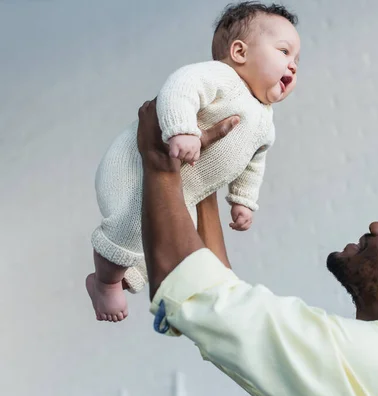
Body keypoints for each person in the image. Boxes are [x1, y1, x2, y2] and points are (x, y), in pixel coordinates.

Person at [135, 98, 378, 396]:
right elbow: (221, 302)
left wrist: (157, 159)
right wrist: (205, 179)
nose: (377, 227)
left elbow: (198, 295)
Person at [86, 2, 301, 322]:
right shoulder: (221, 77)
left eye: (297, 60)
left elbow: (255, 164)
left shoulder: (265, 121)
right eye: (284, 52)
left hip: (181, 191)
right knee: (130, 225)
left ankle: (125, 276)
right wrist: (182, 130)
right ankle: (104, 281)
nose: (293, 65)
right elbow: (180, 87)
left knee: (166, 245)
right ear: (239, 52)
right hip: (132, 171)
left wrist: (243, 200)